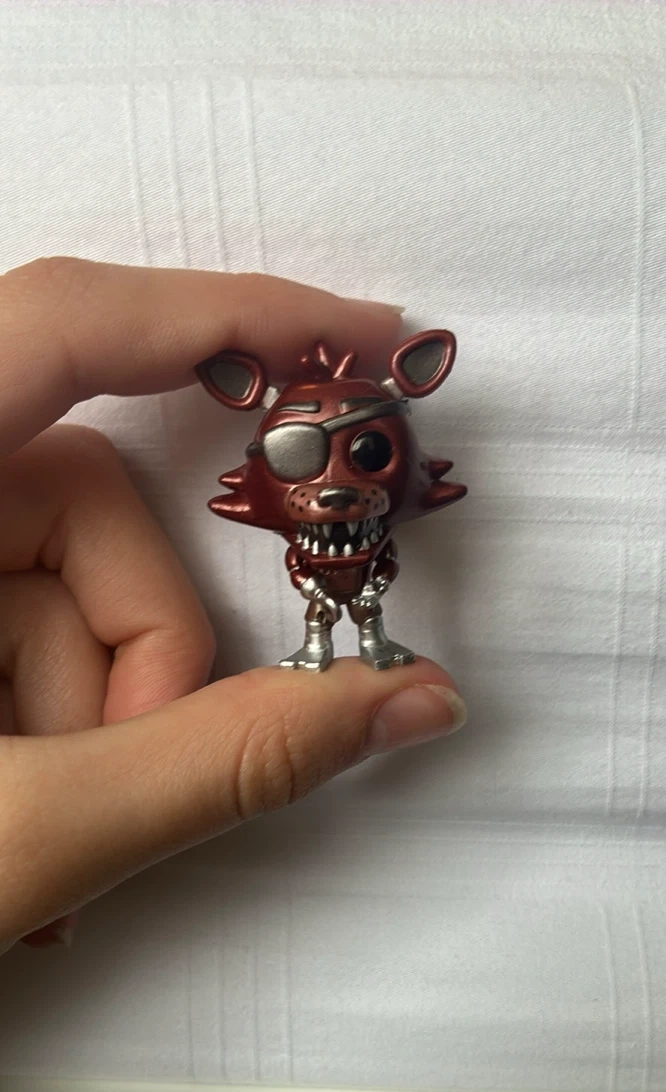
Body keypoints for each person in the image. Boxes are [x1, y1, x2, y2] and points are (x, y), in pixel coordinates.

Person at [0, 261, 466, 955]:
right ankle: (322, 647)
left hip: (362, 570)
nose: (335, 487)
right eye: (296, 452)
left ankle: (368, 641)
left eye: (368, 451)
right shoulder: (305, 537)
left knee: (365, 609)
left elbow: (378, 547)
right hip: (320, 574)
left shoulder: (377, 528)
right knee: (321, 614)